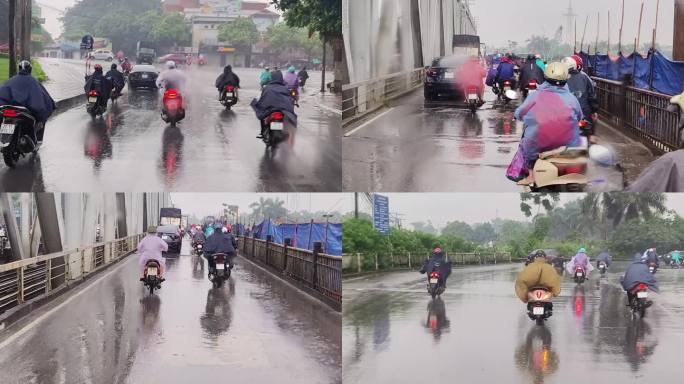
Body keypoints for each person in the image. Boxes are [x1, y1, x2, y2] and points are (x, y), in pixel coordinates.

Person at [510, 62, 583, 173]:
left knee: (527, 152)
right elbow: (579, 116)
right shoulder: (571, 98)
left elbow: (520, 113)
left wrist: (516, 116)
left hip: (537, 145)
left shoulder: (534, 95)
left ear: (545, 78)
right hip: (568, 146)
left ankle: (530, 175)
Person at [0, 60, 56, 146]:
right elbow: (43, 96)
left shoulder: (11, 80)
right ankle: (38, 140)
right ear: (30, 69)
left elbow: (3, 91)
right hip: (23, 110)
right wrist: (51, 104)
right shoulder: (34, 82)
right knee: (41, 117)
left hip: (7, 107)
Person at [562, 55, 599, 143]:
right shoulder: (585, 77)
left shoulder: (559, 79)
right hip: (584, 115)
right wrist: (594, 110)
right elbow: (592, 96)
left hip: (566, 116)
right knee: (593, 119)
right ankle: (592, 136)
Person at [250, 70, 298, 139]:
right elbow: (289, 99)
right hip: (283, 110)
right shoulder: (285, 88)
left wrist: (256, 103)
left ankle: (263, 131)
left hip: (270, 110)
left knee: (261, 113)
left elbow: (262, 99)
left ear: (271, 78)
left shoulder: (267, 88)